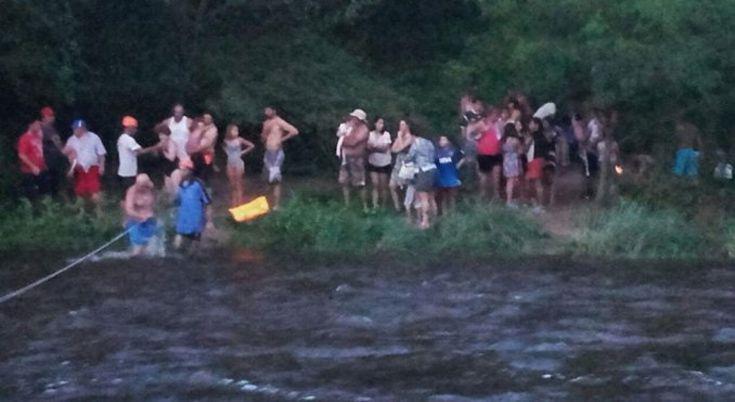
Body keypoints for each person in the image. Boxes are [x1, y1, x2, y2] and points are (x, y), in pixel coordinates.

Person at [261, 106, 299, 210]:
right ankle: (266, 203)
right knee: (266, 178)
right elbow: (263, 137)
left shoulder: (279, 121)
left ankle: (276, 205)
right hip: (268, 152)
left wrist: (281, 140)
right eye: (265, 110)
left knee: (275, 179)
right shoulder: (266, 123)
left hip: (276, 152)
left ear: (274, 111)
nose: (266, 112)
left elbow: (294, 131)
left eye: (268, 110)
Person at [63, 119, 107, 211]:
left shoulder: (94, 137)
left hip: (92, 167)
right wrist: (71, 168)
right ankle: (82, 212)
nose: (75, 131)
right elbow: (68, 155)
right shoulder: (71, 140)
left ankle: (100, 212)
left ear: (83, 129)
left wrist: (102, 166)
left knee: (95, 191)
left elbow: (101, 153)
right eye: (74, 129)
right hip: (79, 169)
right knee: (80, 192)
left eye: (78, 129)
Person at [173, 160, 212, 252]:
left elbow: (208, 203)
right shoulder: (181, 185)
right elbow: (177, 201)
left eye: (183, 170)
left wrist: (209, 221)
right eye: (180, 170)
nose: (181, 172)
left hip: (196, 219)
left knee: (194, 244)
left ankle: (193, 255)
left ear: (189, 170)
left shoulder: (198, 184)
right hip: (183, 219)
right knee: (178, 241)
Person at [116, 115, 163, 191]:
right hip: (129, 173)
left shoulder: (121, 138)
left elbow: (135, 153)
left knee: (126, 195)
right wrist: (156, 147)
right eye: (134, 128)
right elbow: (141, 151)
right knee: (131, 193)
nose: (136, 130)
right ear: (129, 127)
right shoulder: (128, 140)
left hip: (123, 172)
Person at [339, 109, 369, 210]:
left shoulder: (364, 129)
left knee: (360, 183)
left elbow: (353, 142)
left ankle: (364, 206)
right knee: (344, 181)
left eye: (355, 117)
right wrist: (344, 137)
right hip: (346, 157)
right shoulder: (349, 127)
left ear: (359, 119)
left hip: (357, 159)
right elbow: (340, 135)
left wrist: (344, 139)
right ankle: (347, 205)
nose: (352, 119)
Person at [405, 132, 437, 229]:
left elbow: (410, 157)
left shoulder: (416, 144)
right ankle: (434, 219)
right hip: (433, 169)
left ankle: (425, 221)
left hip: (423, 171)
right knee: (431, 197)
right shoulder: (429, 143)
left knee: (423, 197)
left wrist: (406, 161)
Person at [123, 174, 158, 256]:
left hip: (149, 220)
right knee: (138, 246)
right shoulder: (132, 191)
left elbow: (154, 206)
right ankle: (134, 260)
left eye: (145, 186)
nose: (143, 188)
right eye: (141, 186)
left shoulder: (151, 190)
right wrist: (140, 216)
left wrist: (150, 215)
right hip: (135, 221)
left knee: (148, 246)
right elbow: (129, 209)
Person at [526, 117, 555, 212]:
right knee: (537, 182)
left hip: (535, 160)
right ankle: (539, 203)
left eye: (531, 123)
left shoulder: (533, 136)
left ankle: (540, 205)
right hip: (540, 159)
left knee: (537, 183)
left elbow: (526, 147)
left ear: (536, 125)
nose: (529, 125)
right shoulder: (543, 136)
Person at [223, 123, 256, 207]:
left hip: (238, 162)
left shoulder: (240, 140)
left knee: (239, 184)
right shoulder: (226, 141)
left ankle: (240, 203)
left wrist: (242, 152)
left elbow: (251, 145)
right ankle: (234, 203)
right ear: (229, 131)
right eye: (234, 130)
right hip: (230, 163)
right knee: (232, 185)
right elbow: (225, 149)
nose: (236, 132)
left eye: (237, 130)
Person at [17, 121, 49, 200]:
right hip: (29, 171)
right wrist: (33, 167)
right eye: (37, 125)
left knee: (44, 193)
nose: (39, 126)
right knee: (32, 195)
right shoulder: (24, 138)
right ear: (30, 125)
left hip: (41, 169)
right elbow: (22, 155)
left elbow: (40, 152)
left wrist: (44, 165)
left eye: (39, 125)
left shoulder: (38, 137)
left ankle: (44, 210)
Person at [475, 109, 503, 200]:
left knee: (496, 174)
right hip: (484, 153)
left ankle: (496, 194)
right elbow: (474, 135)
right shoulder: (481, 124)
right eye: (494, 114)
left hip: (496, 152)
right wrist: (482, 132)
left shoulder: (498, 125)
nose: (496, 116)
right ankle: (483, 194)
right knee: (485, 176)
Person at [39, 107, 66, 198]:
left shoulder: (48, 128)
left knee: (51, 184)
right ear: (44, 117)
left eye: (52, 115)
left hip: (51, 162)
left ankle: (51, 205)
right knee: (48, 185)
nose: (52, 117)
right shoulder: (45, 128)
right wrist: (65, 151)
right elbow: (57, 142)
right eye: (49, 116)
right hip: (47, 162)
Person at [389, 119, 415, 213]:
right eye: (400, 125)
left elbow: (401, 148)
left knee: (406, 186)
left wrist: (399, 138)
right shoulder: (399, 137)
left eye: (403, 125)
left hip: (407, 163)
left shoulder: (411, 138)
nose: (400, 127)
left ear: (407, 126)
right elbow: (393, 150)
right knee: (392, 185)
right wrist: (399, 139)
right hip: (398, 162)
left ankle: (408, 206)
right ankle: (397, 207)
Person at [367, 117, 392, 209]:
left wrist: (374, 147)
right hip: (373, 162)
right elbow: (368, 147)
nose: (381, 125)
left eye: (382, 123)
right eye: (379, 123)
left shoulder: (386, 135)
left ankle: (384, 204)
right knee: (375, 184)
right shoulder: (370, 134)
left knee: (383, 185)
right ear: (375, 124)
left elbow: (385, 148)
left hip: (384, 162)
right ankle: (375, 205)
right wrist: (378, 147)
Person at [434, 136, 464, 214]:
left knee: (452, 196)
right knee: (443, 197)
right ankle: (445, 213)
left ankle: (453, 213)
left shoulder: (454, 151)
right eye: (441, 140)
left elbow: (463, 158)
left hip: (452, 177)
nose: (442, 141)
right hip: (441, 178)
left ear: (448, 141)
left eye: (444, 139)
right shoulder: (436, 152)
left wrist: (458, 165)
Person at [186, 113, 219, 183]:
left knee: (205, 171)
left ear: (211, 120)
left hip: (207, 152)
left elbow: (208, 142)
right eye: (205, 118)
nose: (206, 119)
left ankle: (206, 187)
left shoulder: (213, 129)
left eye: (208, 118)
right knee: (194, 170)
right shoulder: (200, 126)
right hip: (196, 153)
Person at [501, 123, 523, 208]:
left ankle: (509, 199)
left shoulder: (503, 141)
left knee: (508, 181)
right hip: (513, 160)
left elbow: (502, 151)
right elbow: (520, 151)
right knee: (511, 181)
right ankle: (509, 201)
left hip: (506, 160)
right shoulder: (515, 140)